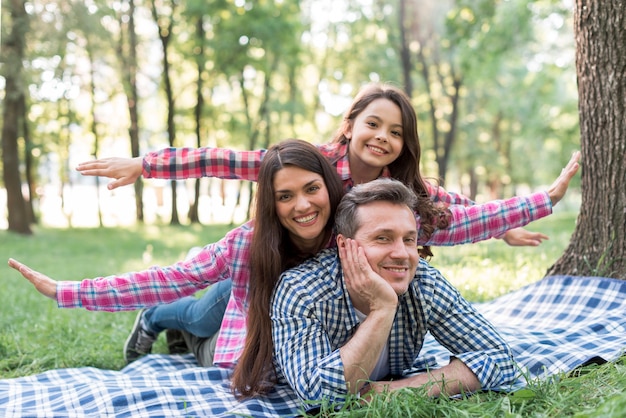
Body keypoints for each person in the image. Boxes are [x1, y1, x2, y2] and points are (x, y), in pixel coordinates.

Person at [7, 137, 578, 397]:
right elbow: (219, 166)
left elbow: (440, 221)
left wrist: (527, 208)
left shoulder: (362, 229)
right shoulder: (251, 243)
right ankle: (159, 321)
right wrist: (69, 291)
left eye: (312, 190)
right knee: (191, 304)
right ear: (271, 202)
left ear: (332, 190)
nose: (302, 205)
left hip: (308, 327)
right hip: (245, 320)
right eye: (286, 197)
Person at [75, 83, 562, 363]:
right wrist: (149, 165)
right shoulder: (316, 165)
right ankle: (154, 318)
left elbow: (453, 208)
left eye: (396, 132)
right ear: (350, 124)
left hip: (313, 289)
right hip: (275, 266)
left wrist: (502, 226)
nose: (382, 137)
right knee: (205, 312)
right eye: (373, 124)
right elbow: (227, 159)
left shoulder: (402, 189)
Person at [271, 178, 516, 404]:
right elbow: (318, 394)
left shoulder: (422, 282)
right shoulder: (301, 290)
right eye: (383, 238)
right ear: (345, 246)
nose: (402, 254)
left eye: (409, 240)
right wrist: (382, 309)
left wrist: (398, 390)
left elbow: (499, 357)